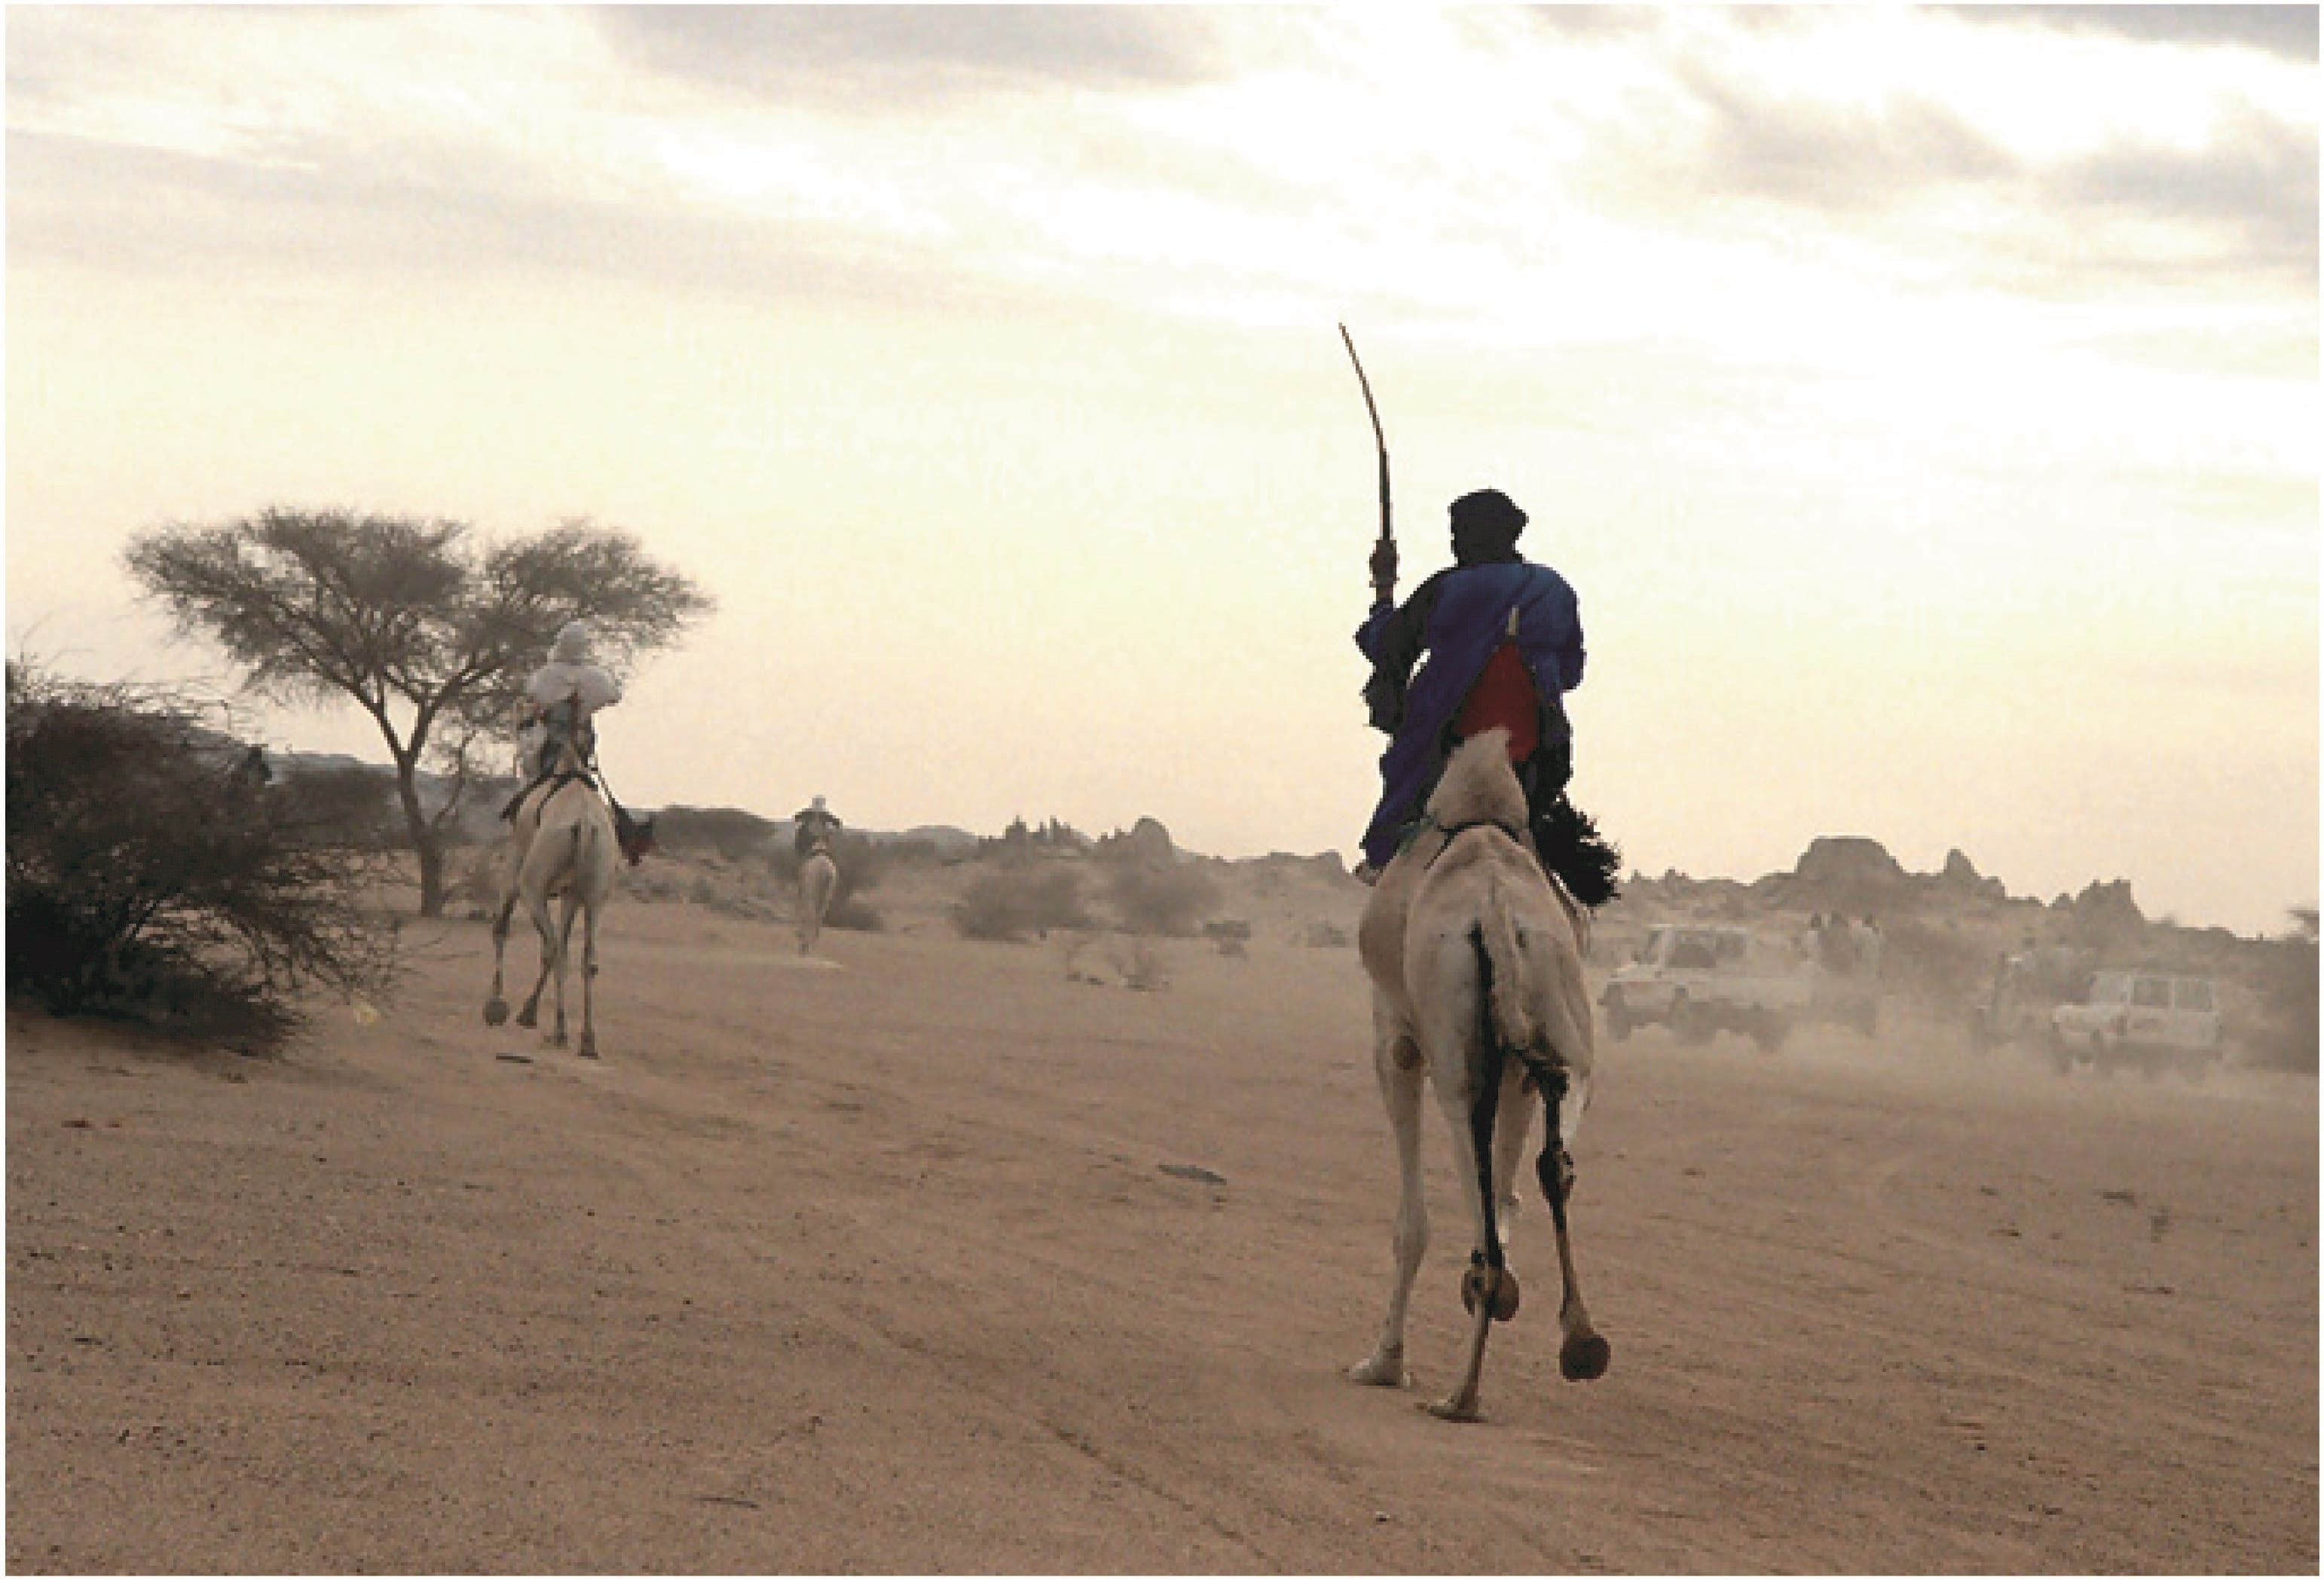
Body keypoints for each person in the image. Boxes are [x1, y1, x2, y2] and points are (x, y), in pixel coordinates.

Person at [1353, 487, 1586, 882]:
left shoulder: (1448, 588)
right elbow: (1572, 671)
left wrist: (1384, 588)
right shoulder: (1554, 589)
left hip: (1448, 741)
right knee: (1551, 831)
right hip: (1533, 747)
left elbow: (1387, 643)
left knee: (1406, 800)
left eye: (1457, 534)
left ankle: (1383, 858)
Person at [504, 619, 622, 818]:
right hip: (583, 744)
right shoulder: (598, 677)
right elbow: (614, 696)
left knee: (533, 776)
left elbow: (532, 695)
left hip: (552, 743)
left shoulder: (544, 676)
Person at [793, 795, 842, 860]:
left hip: (812, 838)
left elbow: (796, 818)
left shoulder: (808, 813)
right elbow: (837, 823)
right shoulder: (824, 814)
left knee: (800, 847)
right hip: (815, 838)